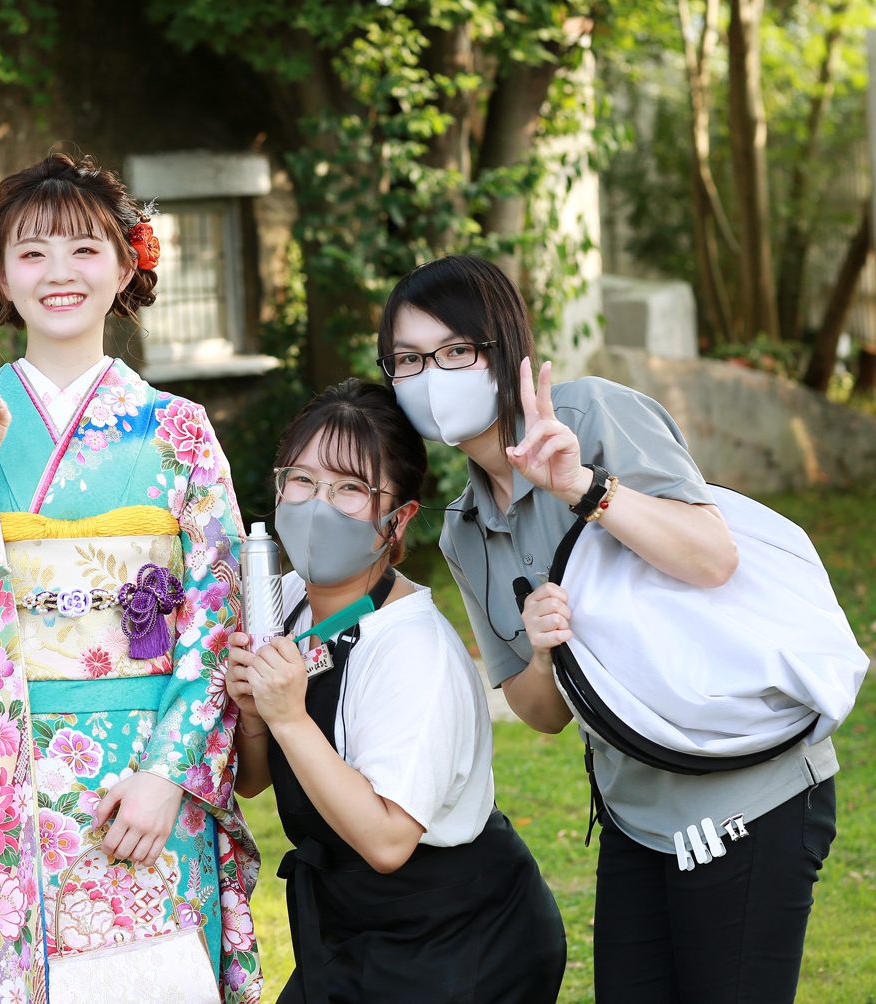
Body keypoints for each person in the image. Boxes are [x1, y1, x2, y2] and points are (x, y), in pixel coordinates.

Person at [0, 153, 263, 1004]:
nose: (58, 273)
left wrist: (168, 775)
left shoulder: (179, 431)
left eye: (83, 249)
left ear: (126, 265)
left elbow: (219, 615)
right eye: (31, 252)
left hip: (139, 777)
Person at [380, 254, 838, 1003]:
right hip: (634, 813)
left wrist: (580, 487)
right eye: (407, 360)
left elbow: (710, 556)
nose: (432, 375)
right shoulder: (464, 530)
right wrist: (539, 649)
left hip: (749, 793)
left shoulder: (589, 415)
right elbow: (540, 713)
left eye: (454, 351)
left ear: (501, 348)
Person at [226, 379, 566, 1004]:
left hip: (455, 938)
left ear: (398, 517)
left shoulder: (415, 649)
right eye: (301, 481)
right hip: (347, 927)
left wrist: (290, 718)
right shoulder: (288, 605)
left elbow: (387, 841)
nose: (317, 505)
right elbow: (253, 780)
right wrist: (253, 713)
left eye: (351, 488)